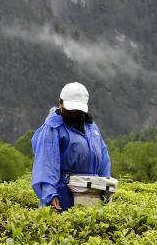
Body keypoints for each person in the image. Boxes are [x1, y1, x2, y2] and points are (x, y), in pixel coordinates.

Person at [31, 82, 111, 211]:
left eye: (77, 111)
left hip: (91, 193)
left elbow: (103, 159)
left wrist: (105, 187)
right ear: (60, 104)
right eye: (70, 110)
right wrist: (50, 194)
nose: (74, 113)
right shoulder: (53, 129)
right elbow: (46, 163)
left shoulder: (92, 128)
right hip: (62, 195)